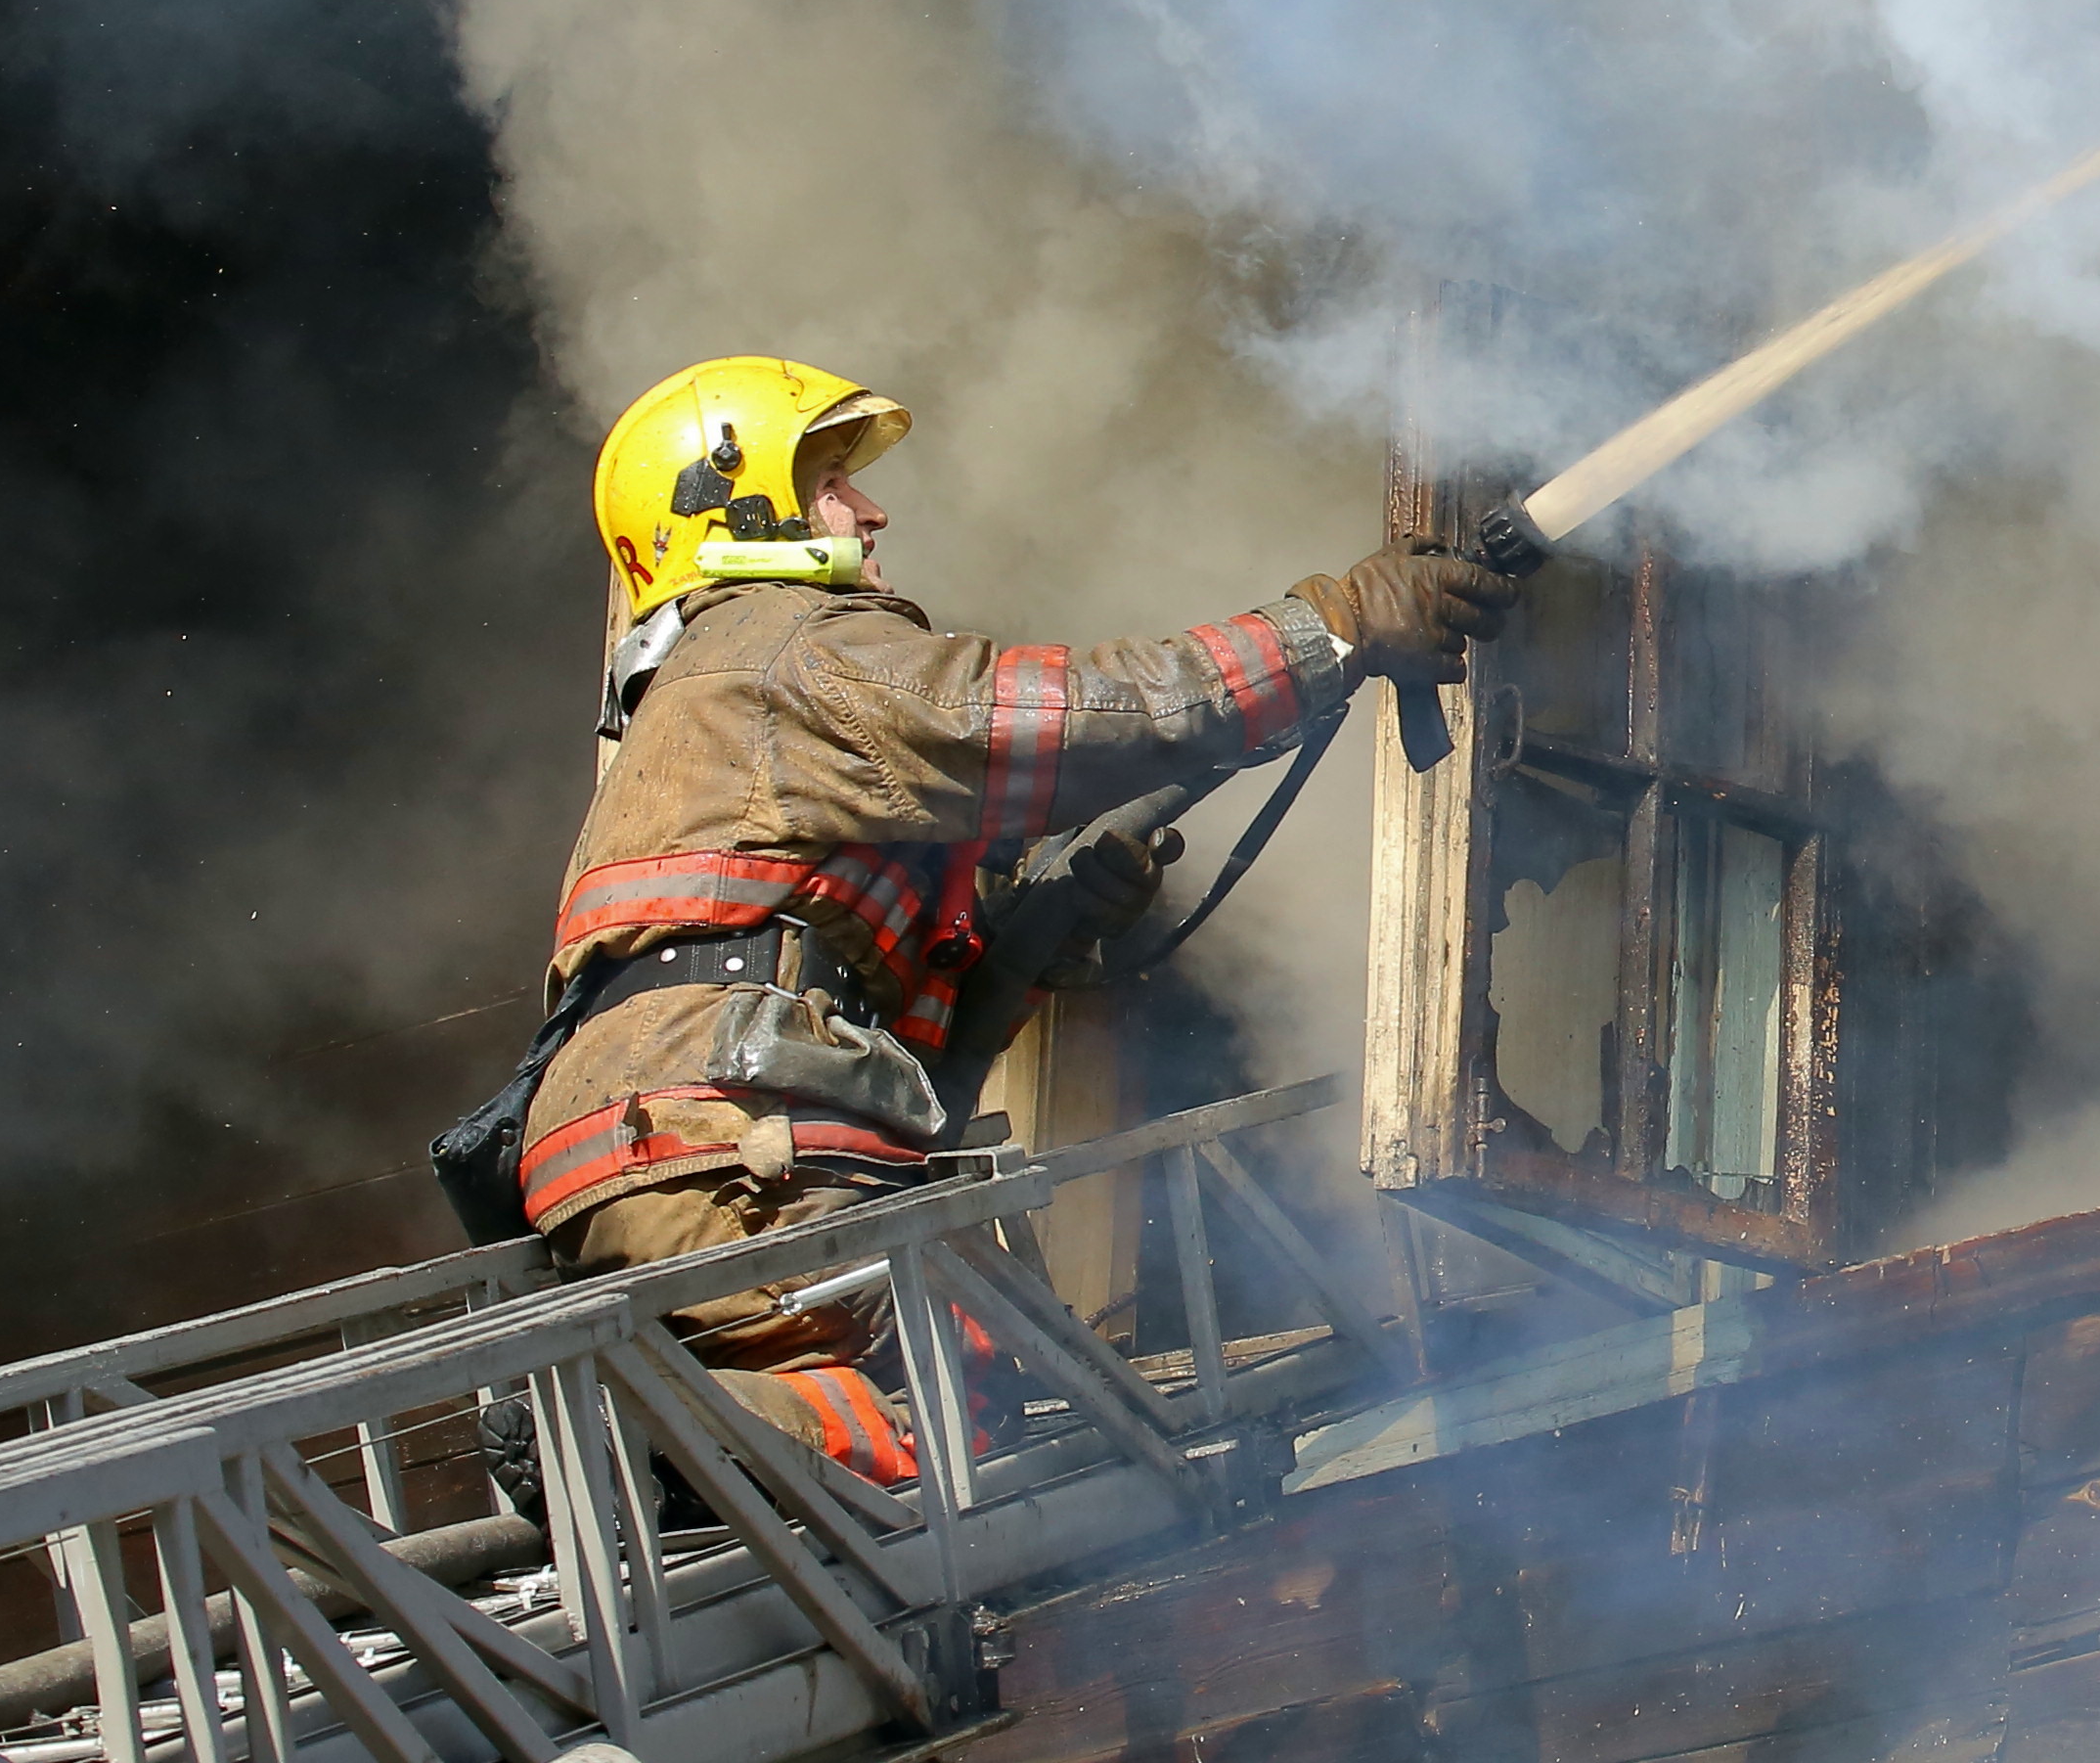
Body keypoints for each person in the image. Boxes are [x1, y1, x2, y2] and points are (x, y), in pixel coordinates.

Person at [513, 354, 1506, 1485]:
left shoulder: (712, 703)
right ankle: (626, 1438)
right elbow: (1078, 717)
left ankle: (652, 1437)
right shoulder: (783, 644)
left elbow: (888, 1009)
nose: (871, 509)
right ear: (732, 504)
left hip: (663, 1152)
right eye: (834, 480)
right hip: (731, 1147)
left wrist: (1043, 920)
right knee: (956, 1414)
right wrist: (1335, 628)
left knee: (865, 1434)